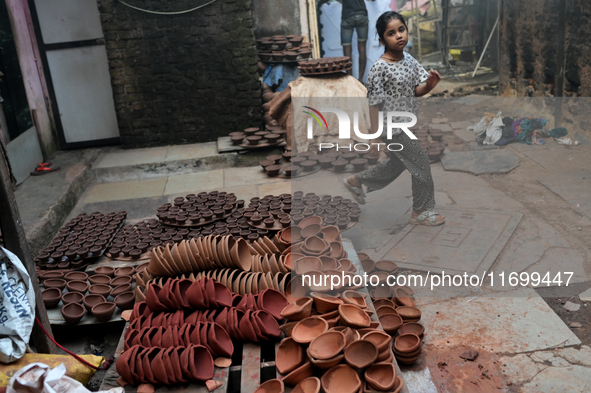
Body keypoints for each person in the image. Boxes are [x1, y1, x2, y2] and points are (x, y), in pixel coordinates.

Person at [342, 11, 445, 226]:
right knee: (421, 164)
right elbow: (374, 103)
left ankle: (356, 181)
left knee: (398, 164)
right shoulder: (379, 68)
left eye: (401, 29)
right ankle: (421, 212)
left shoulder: (409, 59)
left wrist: (429, 85)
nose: (399, 35)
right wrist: (373, 137)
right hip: (391, 128)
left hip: (405, 125)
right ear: (382, 40)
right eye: (391, 33)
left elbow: (416, 90)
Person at [341, 0, 372, 82]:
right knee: (362, 47)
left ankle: (350, 80)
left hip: (347, 15)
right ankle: (361, 79)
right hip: (362, 14)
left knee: (347, 48)